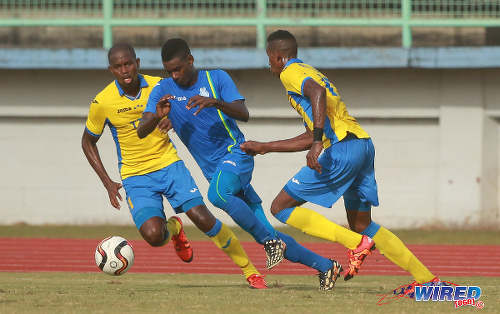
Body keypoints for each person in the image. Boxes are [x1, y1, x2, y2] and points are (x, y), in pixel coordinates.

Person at [136, 38, 373, 291]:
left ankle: (271, 242)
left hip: (236, 154)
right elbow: (142, 129)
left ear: (190, 60)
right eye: (169, 70)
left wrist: (215, 102)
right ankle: (326, 266)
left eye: (178, 69)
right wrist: (158, 116)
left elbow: (243, 113)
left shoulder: (216, 79)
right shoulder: (163, 90)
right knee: (266, 229)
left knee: (217, 196)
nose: (174, 75)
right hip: (215, 171)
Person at [240, 30, 439, 291]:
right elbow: (312, 130)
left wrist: (317, 142)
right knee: (362, 224)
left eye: (269, 58)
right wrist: (266, 147)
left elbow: (318, 95)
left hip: (343, 149)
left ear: (278, 57)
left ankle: (356, 244)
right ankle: (426, 279)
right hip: (362, 144)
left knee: (281, 207)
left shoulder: (290, 73)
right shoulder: (308, 69)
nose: (269, 64)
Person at [81, 43, 267, 289]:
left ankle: (250, 271)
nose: (124, 70)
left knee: (203, 218)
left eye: (128, 64)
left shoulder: (161, 86)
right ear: (111, 70)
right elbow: (87, 142)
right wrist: (107, 182)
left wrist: (172, 118)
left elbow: (184, 108)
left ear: (137, 63)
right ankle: (174, 228)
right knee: (154, 236)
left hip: (169, 164)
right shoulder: (102, 102)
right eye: (118, 66)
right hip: (135, 175)